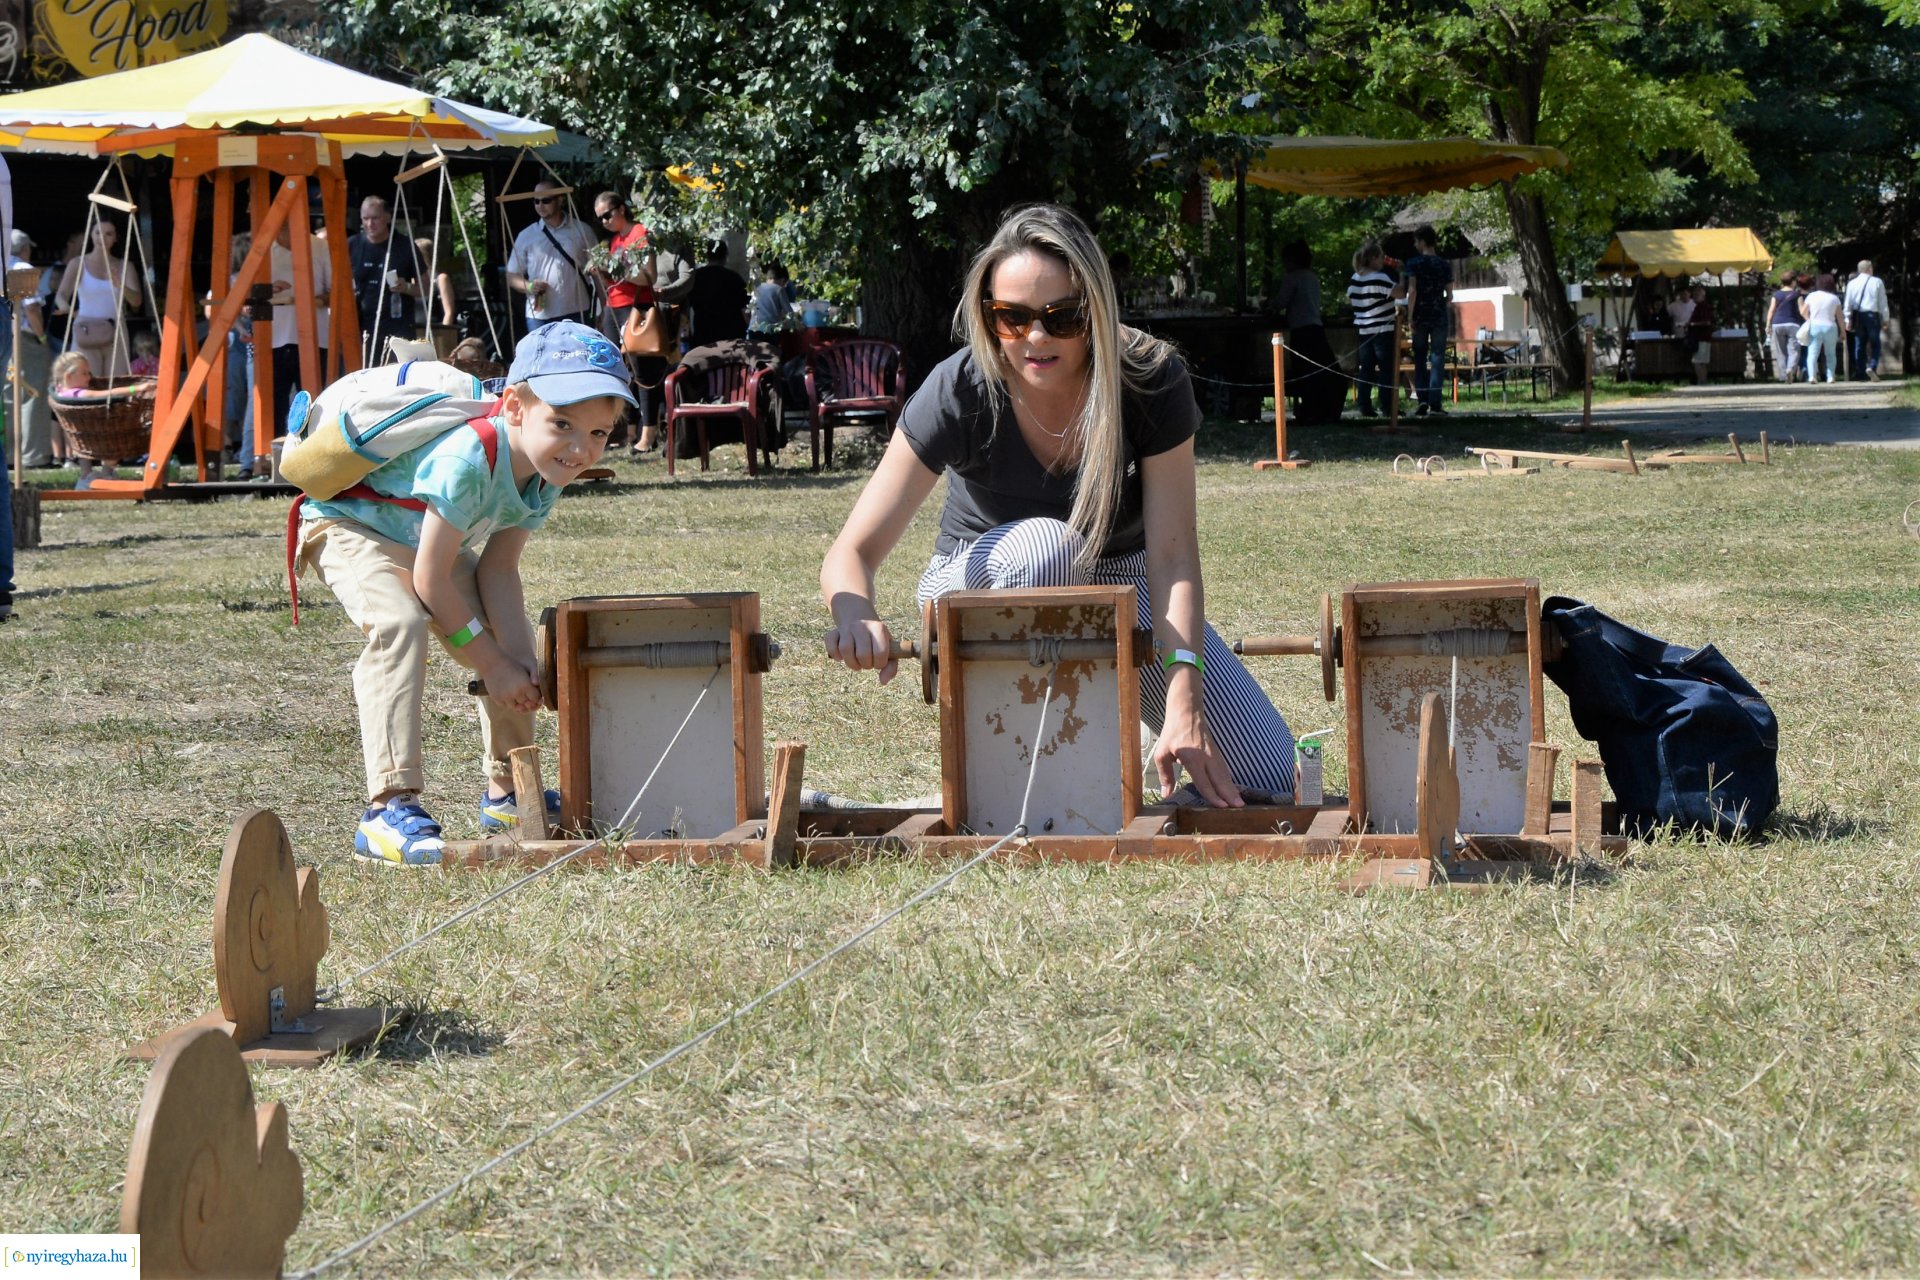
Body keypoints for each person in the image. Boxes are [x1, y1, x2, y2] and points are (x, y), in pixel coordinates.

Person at [820, 203, 1296, 806]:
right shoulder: (959, 388)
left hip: (1119, 577)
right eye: (1011, 317)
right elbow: (851, 552)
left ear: (1095, 310)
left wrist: (1185, 703)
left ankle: (1114, 792)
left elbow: (1172, 559)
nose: (1036, 338)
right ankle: (1051, 786)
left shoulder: (1151, 378)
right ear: (987, 316)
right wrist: (855, 611)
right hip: (978, 579)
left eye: (1063, 317)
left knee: (1268, 781)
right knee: (1050, 550)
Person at [293, 321, 632, 865]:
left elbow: (499, 570)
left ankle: (509, 792)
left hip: (420, 538)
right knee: (399, 624)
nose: (580, 448)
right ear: (515, 407)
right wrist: (491, 666)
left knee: (504, 642)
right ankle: (387, 809)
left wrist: (517, 661)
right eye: (562, 424)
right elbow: (429, 582)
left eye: (598, 433)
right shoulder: (469, 457)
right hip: (351, 524)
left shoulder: (546, 472)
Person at [590, 190, 657, 449]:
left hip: (636, 307)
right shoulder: (616, 240)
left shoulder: (640, 233)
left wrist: (615, 268)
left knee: (642, 370)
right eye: (600, 218)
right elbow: (615, 281)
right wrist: (602, 272)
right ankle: (627, 431)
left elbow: (649, 276)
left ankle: (648, 434)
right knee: (616, 370)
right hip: (613, 307)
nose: (604, 221)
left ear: (620, 209)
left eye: (607, 215)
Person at [264, 217, 332, 460]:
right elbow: (249, 296)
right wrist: (269, 291)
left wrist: (315, 300)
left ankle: (314, 456)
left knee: (315, 403)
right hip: (273, 339)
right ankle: (273, 458)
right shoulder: (264, 249)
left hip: (316, 338)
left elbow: (336, 290)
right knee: (274, 404)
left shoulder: (319, 246)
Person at [506, 180, 598, 335]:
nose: (540, 205)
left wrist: (605, 306)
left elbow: (597, 270)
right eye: (536, 201)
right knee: (540, 352)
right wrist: (530, 286)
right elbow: (512, 275)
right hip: (540, 316)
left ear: (560, 200)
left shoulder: (582, 230)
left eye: (546, 200)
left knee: (578, 351)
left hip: (578, 311)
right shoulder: (526, 235)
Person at [55, 218, 141, 379]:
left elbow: (136, 301)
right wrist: (66, 308)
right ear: (91, 235)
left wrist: (120, 285)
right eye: (98, 233)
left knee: (115, 382)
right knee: (86, 380)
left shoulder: (125, 265)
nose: (102, 237)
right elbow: (61, 294)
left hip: (115, 328)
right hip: (86, 328)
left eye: (108, 234)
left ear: (115, 238)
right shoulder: (78, 263)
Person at [1272, 240, 1344, 424]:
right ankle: (1320, 410)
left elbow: (1280, 302)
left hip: (1300, 330)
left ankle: (1310, 409)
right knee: (1319, 371)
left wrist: (1268, 305)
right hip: (1316, 327)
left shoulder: (1292, 278)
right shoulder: (1312, 277)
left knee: (1304, 372)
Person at [347, 196, 424, 364]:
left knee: (398, 375)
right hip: (361, 328)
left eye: (375, 218)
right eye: (365, 219)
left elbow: (426, 289)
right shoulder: (352, 245)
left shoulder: (405, 246)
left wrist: (406, 287)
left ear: (388, 217)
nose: (370, 224)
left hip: (398, 328)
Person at [6, 228, 54, 468]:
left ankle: (8, 455)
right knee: (32, 393)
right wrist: (42, 338)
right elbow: (32, 310)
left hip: (3, 336)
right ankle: (33, 455)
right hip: (24, 338)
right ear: (25, 249)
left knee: (7, 395)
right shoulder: (21, 268)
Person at [1398, 225, 1452, 416]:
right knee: (1438, 357)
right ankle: (1435, 402)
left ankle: (1422, 400)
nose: (1415, 244)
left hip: (1420, 316)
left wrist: (1410, 316)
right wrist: (1440, 303)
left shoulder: (1414, 263)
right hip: (1439, 316)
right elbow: (1450, 295)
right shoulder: (1444, 264)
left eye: (1416, 241)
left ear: (1422, 241)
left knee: (1419, 357)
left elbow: (1412, 291)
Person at [1346, 239, 1396, 418]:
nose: (1383, 260)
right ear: (1373, 258)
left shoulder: (1355, 278)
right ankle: (1387, 405)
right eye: (1381, 257)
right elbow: (1399, 292)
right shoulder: (1380, 278)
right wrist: (1403, 273)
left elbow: (1351, 299)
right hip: (1382, 329)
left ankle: (1364, 404)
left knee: (1366, 368)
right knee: (1386, 369)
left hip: (1364, 329)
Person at [684, 239, 748, 350]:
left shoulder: (696, 277)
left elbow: (687, 305)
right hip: (731, 336)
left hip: (704, 334)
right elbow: (745, 309)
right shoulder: (733, 278)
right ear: (725, 256)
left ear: (707, 255)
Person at [1843, 259, 1889, 381]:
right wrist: (1885, 318)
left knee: (1859, 344)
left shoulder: (1852, 283)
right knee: (1875, 343)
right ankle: (1872, 366)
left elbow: (1848, 303)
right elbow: (1882, 302)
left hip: (1858, 316)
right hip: (1872, 315)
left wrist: (1847, 319)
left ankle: (1860, 372)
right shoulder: (1877, 282)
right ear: (1869, 269)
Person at [1798, 272, 1844, 385]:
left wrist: (1809, 319)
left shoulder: (1811, 296)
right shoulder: (1834, 298)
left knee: (1813, 353)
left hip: (1815, 326)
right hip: (1830, 327)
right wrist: (1843, 331)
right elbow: (1839, 317)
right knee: (1830, 353)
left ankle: (1812, 376)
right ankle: (1830, 377)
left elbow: (1803, 312)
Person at [1766, 270, 1801, 383]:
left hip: (1777, 324)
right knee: (1794, 350)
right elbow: (1802, 310)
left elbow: (1771, 310)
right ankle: (1790, 369)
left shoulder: (1776, 295)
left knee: (1780, 352)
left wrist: (1768, 324)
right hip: (1792, 324)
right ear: (1793, 282)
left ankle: (1782, 376)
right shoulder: (1796, 294)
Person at [748, 261, 791, 339]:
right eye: (785, 284)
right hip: (768, 332)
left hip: (752, 329)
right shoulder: (779, 289)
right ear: (783, 280)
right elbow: (790, 314)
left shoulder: (757, 288)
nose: (785, 286)